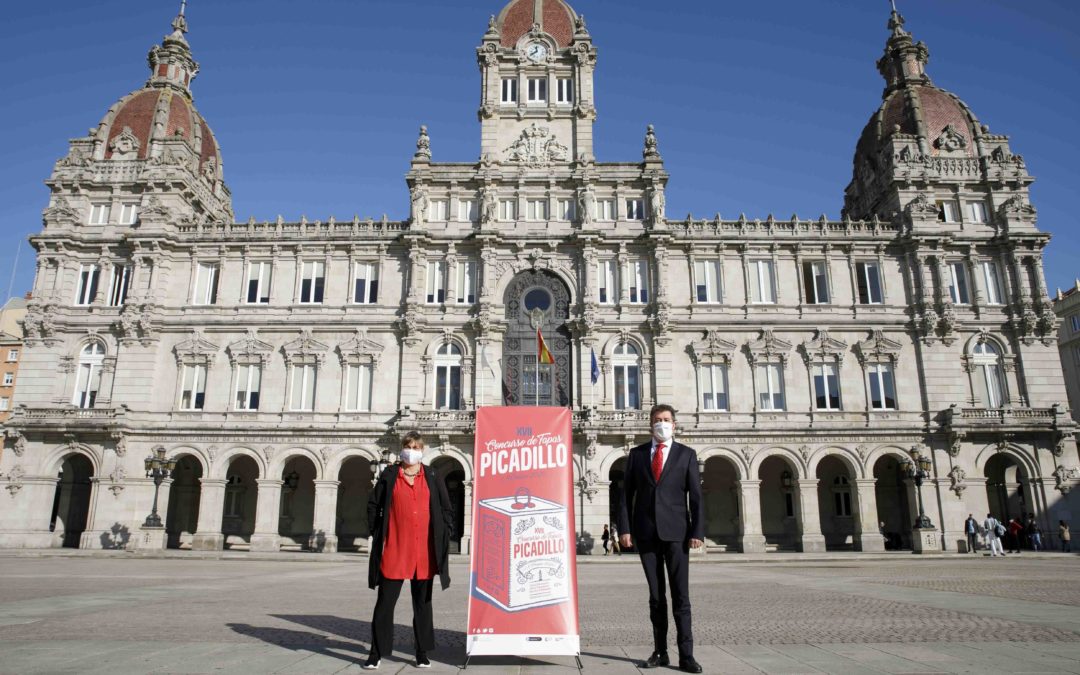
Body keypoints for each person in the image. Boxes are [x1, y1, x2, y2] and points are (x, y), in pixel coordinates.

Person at [618, 404, 704, 674]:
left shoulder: (686, 455)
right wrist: (625, 529)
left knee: (681, 596)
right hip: (646, 533)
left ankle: (687, 655)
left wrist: (697, 532)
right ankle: (661, 651)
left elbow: (697, 497)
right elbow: (625, 495)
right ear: (650, 425)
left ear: (674, 425)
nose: (662, 424)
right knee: (656, 597)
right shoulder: (637, 454)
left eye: (666, 420)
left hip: (677, 534)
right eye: (657, 420)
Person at [364, 432, 453, 670]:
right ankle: (376, 652)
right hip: (395, 548)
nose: (411, 450)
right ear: (402, 449)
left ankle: (421, 652)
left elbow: (446, 509)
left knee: (423, 605)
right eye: (408, 446)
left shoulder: (433, 475)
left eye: (415, 447)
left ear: (422, 450)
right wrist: (377, 531)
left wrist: (445, 533)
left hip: (424, 552)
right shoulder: (390, 474)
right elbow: (373, 504)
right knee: (385, 603)